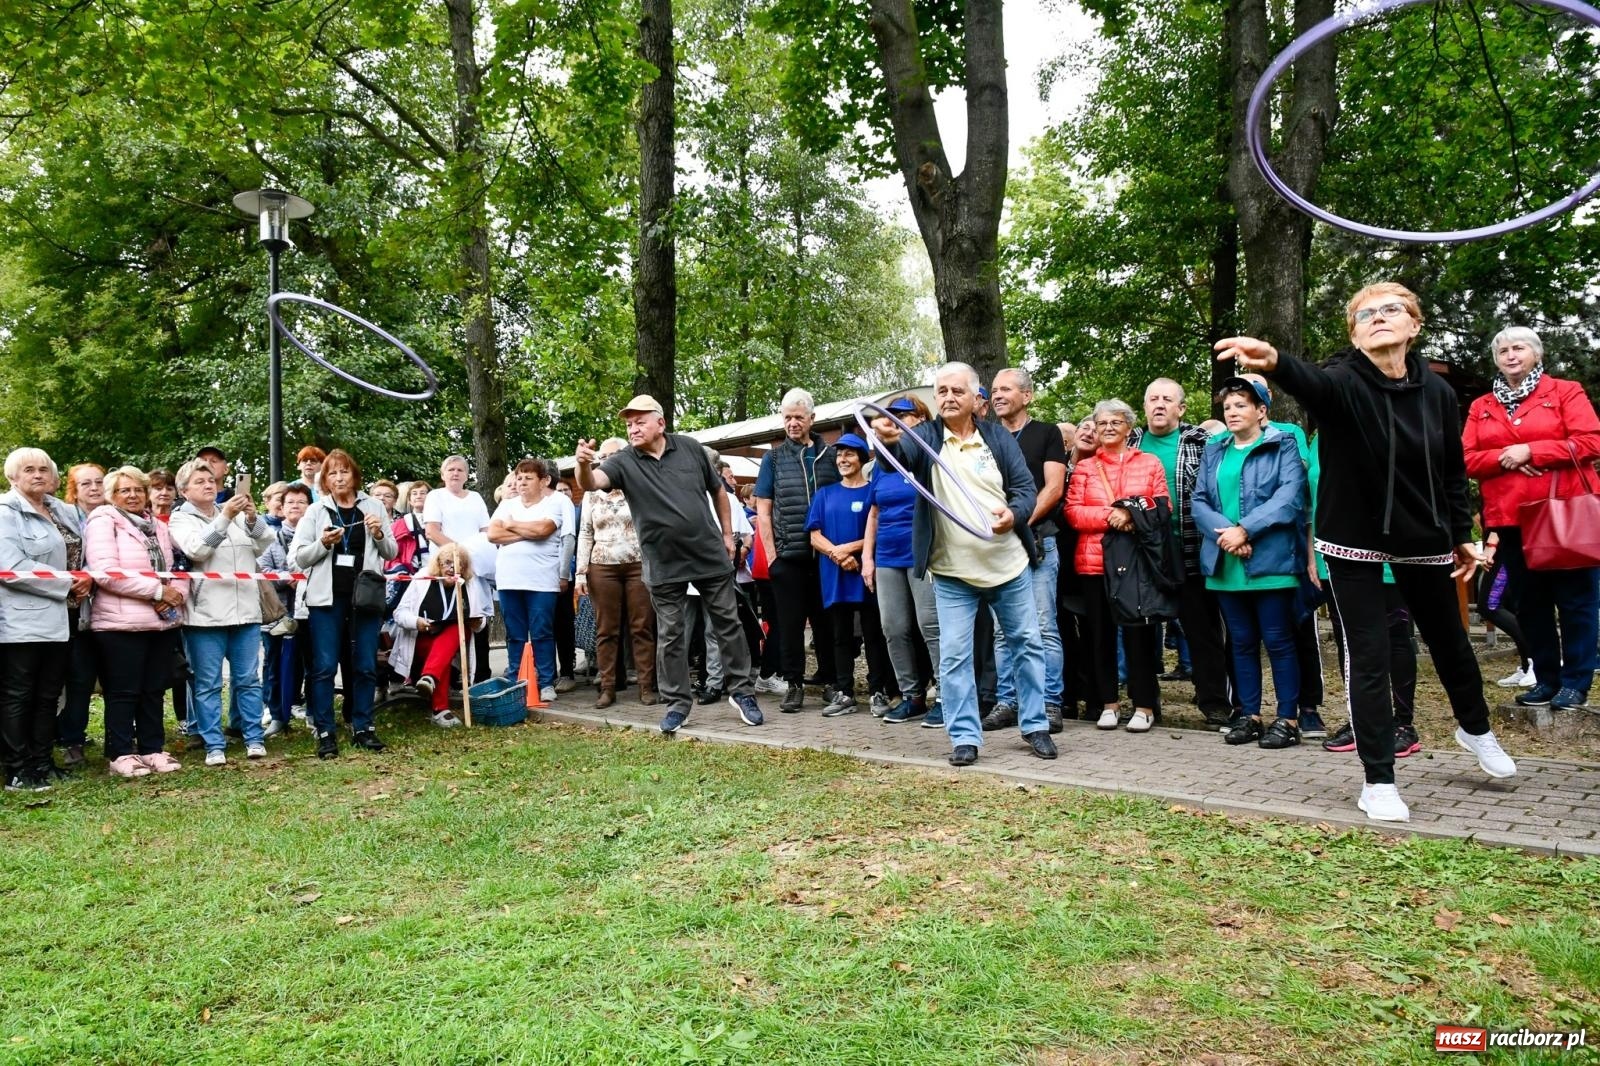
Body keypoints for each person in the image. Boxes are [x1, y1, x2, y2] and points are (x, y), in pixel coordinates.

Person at [1216, 281, 1518, 823]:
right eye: (1365, 314)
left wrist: (1459, 534)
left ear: (1415, 325)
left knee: (1451, 646)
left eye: (1392, 310)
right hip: (1352, 542)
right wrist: (1279, 362)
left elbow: (1452, 472)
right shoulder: (1343, 383)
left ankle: (1476, 731)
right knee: (1370, 657)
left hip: (1422, 540)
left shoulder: (1439, 395)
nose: (1379, 318)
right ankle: (1378, 779)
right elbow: (1316, 387)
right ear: (1354, 335)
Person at [885, 362, 1053, 767]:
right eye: (941, 391)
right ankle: (964, 736)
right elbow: (903, 453)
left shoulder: (996, 438)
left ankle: (1036, 725)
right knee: (956, 654)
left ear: (976, 399)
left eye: (957, 391)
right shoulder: (924, 437)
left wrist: (1014, 515)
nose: (947, 397)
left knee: (1027, 644)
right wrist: (889, 440)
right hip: (952, 572)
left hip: (1007, 565)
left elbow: (1026, 489)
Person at [575, 394, 764, 734]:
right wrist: (583, 464)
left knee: (728, 625)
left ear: (660, 422)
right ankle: (678, 703)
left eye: (639, 421)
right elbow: (592, 483)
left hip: (707, 554)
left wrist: (725, 533)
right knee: (672, 634)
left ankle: (742, 692)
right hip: (663, 563)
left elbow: (718, 491)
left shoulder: (690, 449)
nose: (633, 428)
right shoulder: (623, 462)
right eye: (629, 423)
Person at [1463, 325, 1600, 711]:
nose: (1510, 355)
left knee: (1576, 603)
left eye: (1518, 347)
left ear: (1536, 354)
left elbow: (1590, 441)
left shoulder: (1564, 391)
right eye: (1502, 350)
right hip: (1509, 519)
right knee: (1530, 604)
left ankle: (1577, 682)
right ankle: (1547, 678)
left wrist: (1532, 451)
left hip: (1564, 517)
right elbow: (1466, 458)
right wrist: (1506, 455)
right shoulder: (1482, 406)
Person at [1190, 378, 1307, 749]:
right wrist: (1228, 535)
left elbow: (1290, 497)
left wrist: (1246, 531)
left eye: (1242, 405)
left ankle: (1288, 719)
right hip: (1226, 562)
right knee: (1240, 642)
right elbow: (1199, 501)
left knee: (1278, 641)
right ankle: (1250, 715)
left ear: (1261, 411)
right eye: (1228, 407)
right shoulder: (1215, 449)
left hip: (1269, 559)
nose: (1233, 412)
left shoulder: (1282, 444)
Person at [1127, 378, 1235, 729]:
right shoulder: (1130, 441)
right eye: (1152, 399)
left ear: (1181, 408)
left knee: (1202, 630)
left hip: (1190, 550)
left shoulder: (1201, 441)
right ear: (1144, 407)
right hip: (1142, 556)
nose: (1159, 405)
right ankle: (1145, 704)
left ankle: (1215, 703)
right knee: (1140, 630)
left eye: (1167, 399)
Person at [1066, 399, 1171, 733]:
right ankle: (1108, 703)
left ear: (1129, 427)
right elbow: (1073, 512)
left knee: (1139, 636)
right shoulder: (1084, 468)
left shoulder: (1150, 462)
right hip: (1094, 562)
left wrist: (1131, 515)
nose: (1108, 428)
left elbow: (1162, 505)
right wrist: (1114, 517)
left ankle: (1144, 705)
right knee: (1099, 635)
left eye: (1115, 422)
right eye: (1101, 423)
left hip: (1136, 563)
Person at [291, 449, 397, 759]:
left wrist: (377, 533)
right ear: (324, 479)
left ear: (354, 475)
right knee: (323, 667)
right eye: (332, 473)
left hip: (365, 598)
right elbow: (299, 557)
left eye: (344, 472)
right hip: (326, 599)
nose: (339, 478)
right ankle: (325, 731)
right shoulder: (315, 511)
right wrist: (323, 543)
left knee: (365, 664)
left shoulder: (374, 506)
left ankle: (363, 726)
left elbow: (390, 552)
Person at [85, 466, 188, 778]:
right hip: (119, 624)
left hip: (160, 623)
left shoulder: (156, 524)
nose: (132, 495)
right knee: (123, 691)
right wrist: (156, 591)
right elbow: (106, 572)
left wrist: (176, 594)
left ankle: (152, 748)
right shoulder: (103, 520)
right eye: (123, 490)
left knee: (154, 689)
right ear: (112, 495)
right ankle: (119, 753)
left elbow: (177, 568)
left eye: (137, 490)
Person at [169, 459, 274, 765]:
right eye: (199, 481)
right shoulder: (180, 519)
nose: (208, 484)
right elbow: (197, 551)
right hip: (206, 616)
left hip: (246, 613)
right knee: (208, 683)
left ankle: (253, 736)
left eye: (210, 479)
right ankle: (214, 743)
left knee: (248, 679)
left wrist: (252, 518)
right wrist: (226, 517)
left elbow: (263, 546)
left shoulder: (235, 514)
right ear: (184, 490)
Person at [983, 369, 1069, 733]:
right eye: (994, 390)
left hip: (1037, 542)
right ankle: (1009, 701)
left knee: (1043, 627)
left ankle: (1049, 703)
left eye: (1006, 389)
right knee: (1004, 631)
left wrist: (1019, 520)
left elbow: (1053, 488)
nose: (998, 395)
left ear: (1027, 396)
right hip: (996, 546)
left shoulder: (1046, 434)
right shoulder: (982, 437)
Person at [0, 448, 87, 790]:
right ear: (12, 477)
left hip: (61, 617)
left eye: (43, 470)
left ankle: (42, 761)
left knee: (49, 695)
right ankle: (17, 768)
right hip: (20, 620)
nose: (37, 475)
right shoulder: (6, 513)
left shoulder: (60, 511)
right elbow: (11, 568)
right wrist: (69, 582)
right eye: (28, 470)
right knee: (19, 695)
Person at [754, 387, 840, 712]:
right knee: (789, 626)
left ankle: (833, 681)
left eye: (798, 417)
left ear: (811, 419)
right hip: (788, 558)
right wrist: (773, 557)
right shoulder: (772, 459)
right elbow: (764, 509)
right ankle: (793, 684)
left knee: (827, 623)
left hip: (826, 557)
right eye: (787, 417)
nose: (792, 423)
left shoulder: (830, 456)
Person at [863, 394, 943, 727]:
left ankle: (946, 696)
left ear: (922, 420)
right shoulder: (882, 463)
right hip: (887, 556)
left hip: (922, 554)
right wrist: (867, 557)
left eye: (905, 415)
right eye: (892, 415)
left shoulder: (930, 456)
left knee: (931, 626)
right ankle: (912, 696)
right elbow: (874, 513)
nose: (896, 419)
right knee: (893, 628)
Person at [806, 432, 893, 717]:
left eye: (849, 454)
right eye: (839, 454)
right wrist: (838, 555)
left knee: (874, 635)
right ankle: (844, 692)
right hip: (835, 576)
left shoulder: (873, 492)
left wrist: (849, 550)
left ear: (862, 459)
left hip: (867, 574)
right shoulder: (825, 493)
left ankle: (878, 690)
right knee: (840, 637)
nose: (843, 459)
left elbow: (878, 529)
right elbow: (814, 536)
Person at [575, 437, 658, 708]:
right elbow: (586, 532)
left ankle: (647, 686)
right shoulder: (590, 493)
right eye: (605, 455)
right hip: (602, 566)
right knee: (606, 630)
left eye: (616, 454)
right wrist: (580, 573)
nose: (609, 459)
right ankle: (608, 687)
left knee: (642, 627)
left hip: (638, 564)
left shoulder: (638, 485)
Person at [488, 458, 567, 702]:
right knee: (515, 634)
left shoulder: (552, 504)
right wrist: (526, 533)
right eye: (519, 477)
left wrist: (511, 526)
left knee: (542, 631)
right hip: (510, 580)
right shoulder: (506, 505)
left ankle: (545, 682)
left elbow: (543, 530)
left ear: (543, 481)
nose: (522, 482)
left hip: (542, 580)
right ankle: (516, 680)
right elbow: (493, 534)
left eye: (528, 478)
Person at [390, 545, 488, 727]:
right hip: (422, 639)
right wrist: (417, 622)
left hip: (451, 641)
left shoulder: (470, 584)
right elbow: (399, 613)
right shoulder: (423, 578)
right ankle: (440, 708)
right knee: (442, 654)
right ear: (438, 564)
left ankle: (430, 679)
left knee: (457, 630)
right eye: (448, 563)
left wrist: (477, 623)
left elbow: (480, 620)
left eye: (459, 564)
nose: (452, 568)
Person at [425, 455, 493, 684]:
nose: (455, 473)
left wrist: (472, 556)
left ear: (466, 475)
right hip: (447, 564)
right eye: (451, 469)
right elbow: (432, 531)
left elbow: (486, 530)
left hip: (474, 565)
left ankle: (482, 674)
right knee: (450, 617)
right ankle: (451, 674)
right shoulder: (436, 497)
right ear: (442, 474)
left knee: (477, 615)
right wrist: (456, 554)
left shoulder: (475, 498)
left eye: (460, 470)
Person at [258, 483, 311, 735]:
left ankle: (312, 712)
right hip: (277, 611)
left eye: (301, 501)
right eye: (290, 502)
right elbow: (262, 568)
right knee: (275, 663)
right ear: (282, 506)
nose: (296, 506)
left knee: (312, 663)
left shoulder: (317, 535)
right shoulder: (270, 537)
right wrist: (287, 577)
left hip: (310, 609)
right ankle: (278, 714)